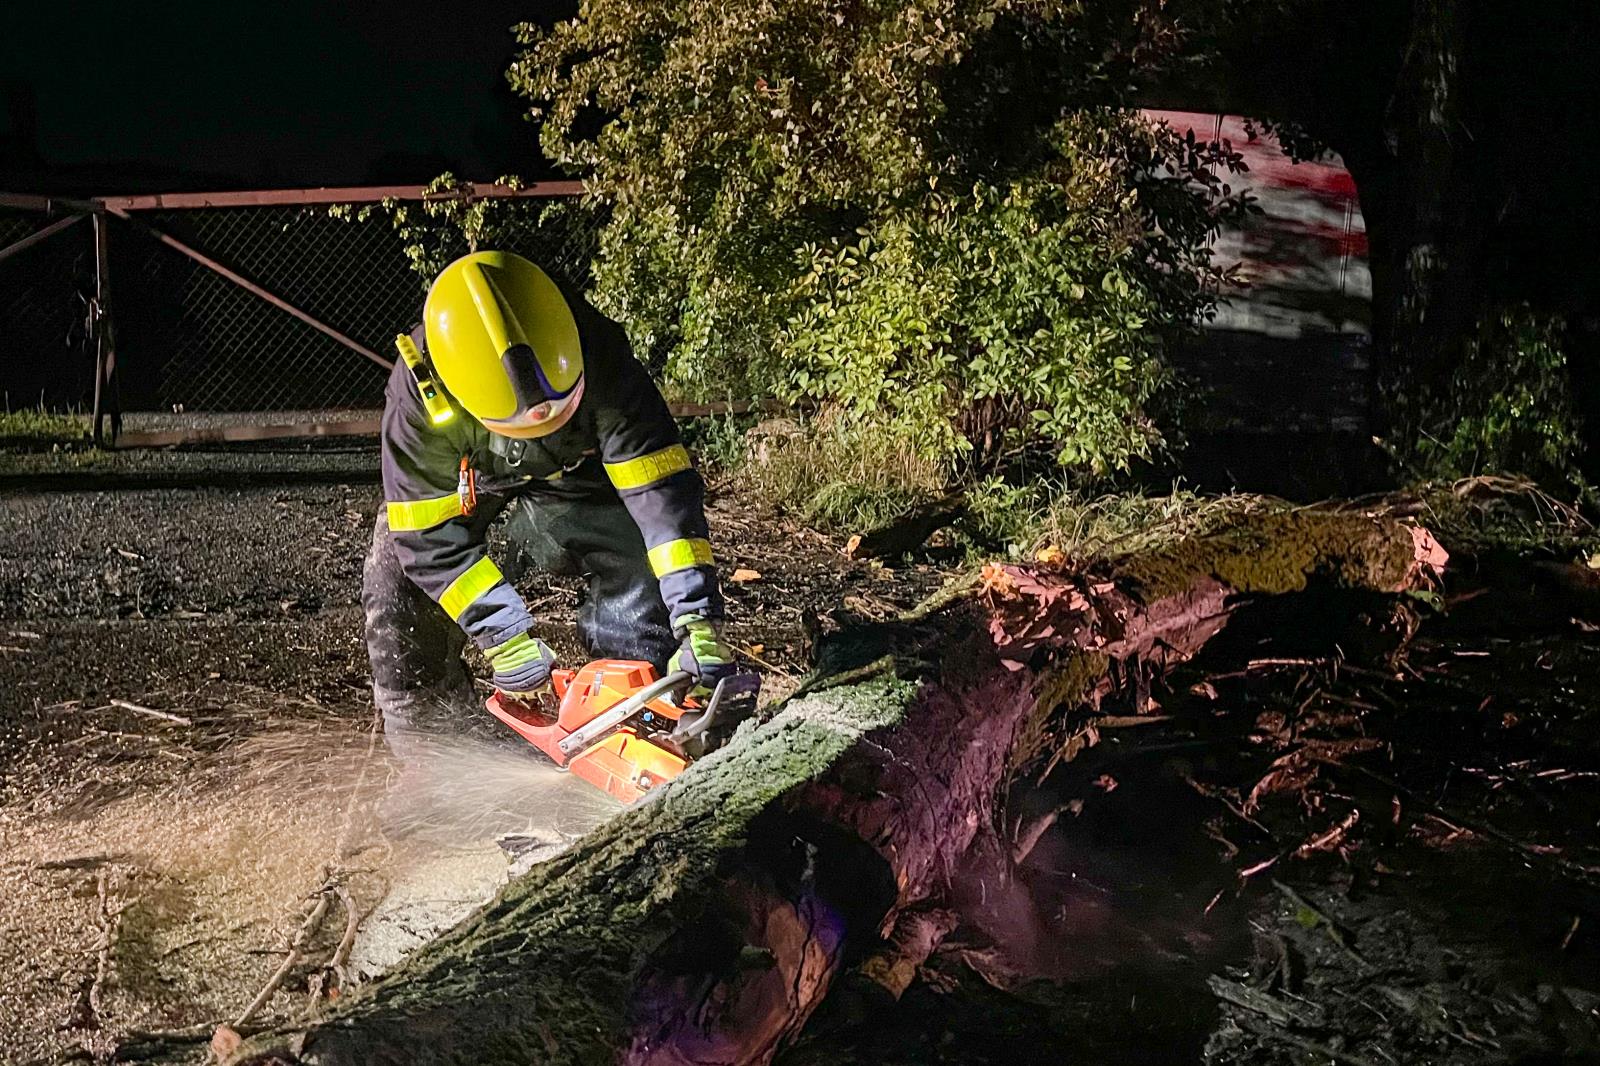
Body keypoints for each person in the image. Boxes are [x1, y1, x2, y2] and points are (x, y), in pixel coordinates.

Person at [362, 250, 736, 758]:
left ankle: (642, 724)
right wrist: (503, 635)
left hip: (579, 475)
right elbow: (424, 535)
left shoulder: (601, 352)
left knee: (636, 560)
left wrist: (697, 618)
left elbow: (662, 497)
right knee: (396, 579)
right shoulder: (418, 396)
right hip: (472, 481)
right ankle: (433, 750)